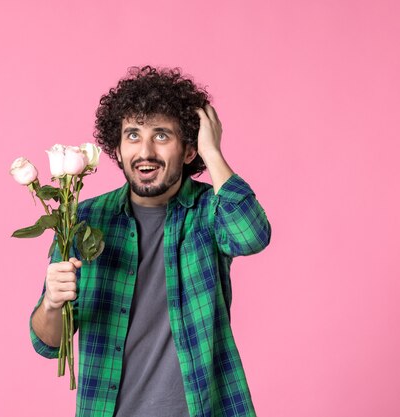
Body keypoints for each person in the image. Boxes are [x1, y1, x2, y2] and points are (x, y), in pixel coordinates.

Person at [30, 66, 271, 417]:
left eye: (161, 136)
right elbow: (48, 343)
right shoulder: (84, 220)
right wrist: (52, 303)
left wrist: (213, 153)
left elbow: (251, 236)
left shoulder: (207, 209)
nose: (145, 151)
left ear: (189, 151)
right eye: (132, 135)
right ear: (117, 146)